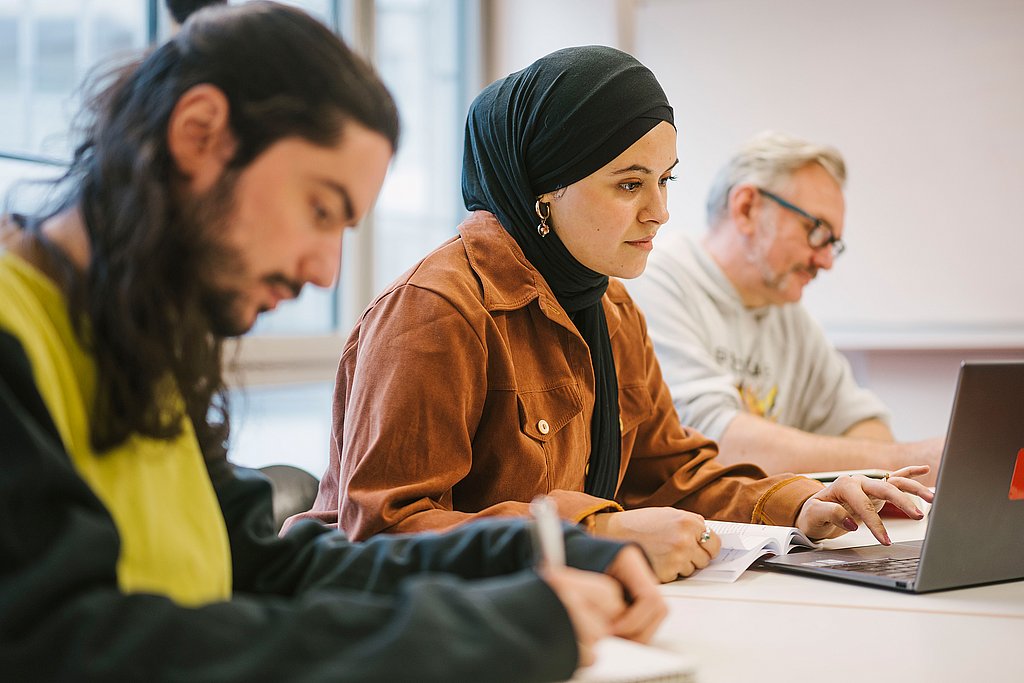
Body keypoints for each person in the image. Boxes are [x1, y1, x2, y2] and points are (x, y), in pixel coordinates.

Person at [0, 5, 667, 680]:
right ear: (198, 134)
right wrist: (473, 633)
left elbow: (272, 566)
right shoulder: (14, 336)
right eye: (320, 210)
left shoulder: (130, 347)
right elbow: (69, 644)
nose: (325, 269)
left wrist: (535, 553)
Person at [292, 46, 933, 583]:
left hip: (541, 617)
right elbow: (385, 534)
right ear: (544, 189)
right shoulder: (437, 312)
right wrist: (596, 534)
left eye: (665, 180)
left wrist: (802, 500)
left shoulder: (611, 308)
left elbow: (670, 473)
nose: (659, 211)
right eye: (630, 184)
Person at [625, 131, 943, 479]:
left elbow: (862, 424)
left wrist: (881, 463)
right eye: (817, 230)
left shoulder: (787, 313)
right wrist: (903, 461)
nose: (825, 261)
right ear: (746, 208)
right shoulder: (654, 282)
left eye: (832, 243)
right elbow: (712, 444)